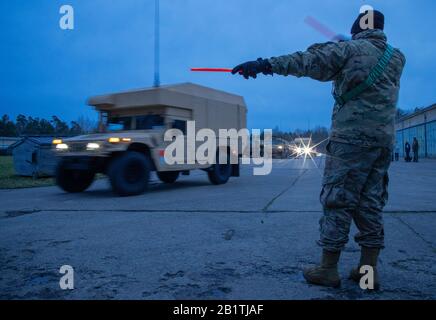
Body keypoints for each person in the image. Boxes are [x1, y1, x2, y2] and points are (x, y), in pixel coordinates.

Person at [232, 9, 405, 290]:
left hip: (351, 140)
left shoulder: (349, 50)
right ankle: (368, 272)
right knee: (371, 203)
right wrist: (343, 46)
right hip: (383, 142)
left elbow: (307, 61)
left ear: (357, 28)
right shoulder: (397, 57)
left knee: (338, 200)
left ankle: (328, 269)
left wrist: (263, 64)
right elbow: (361, 58)